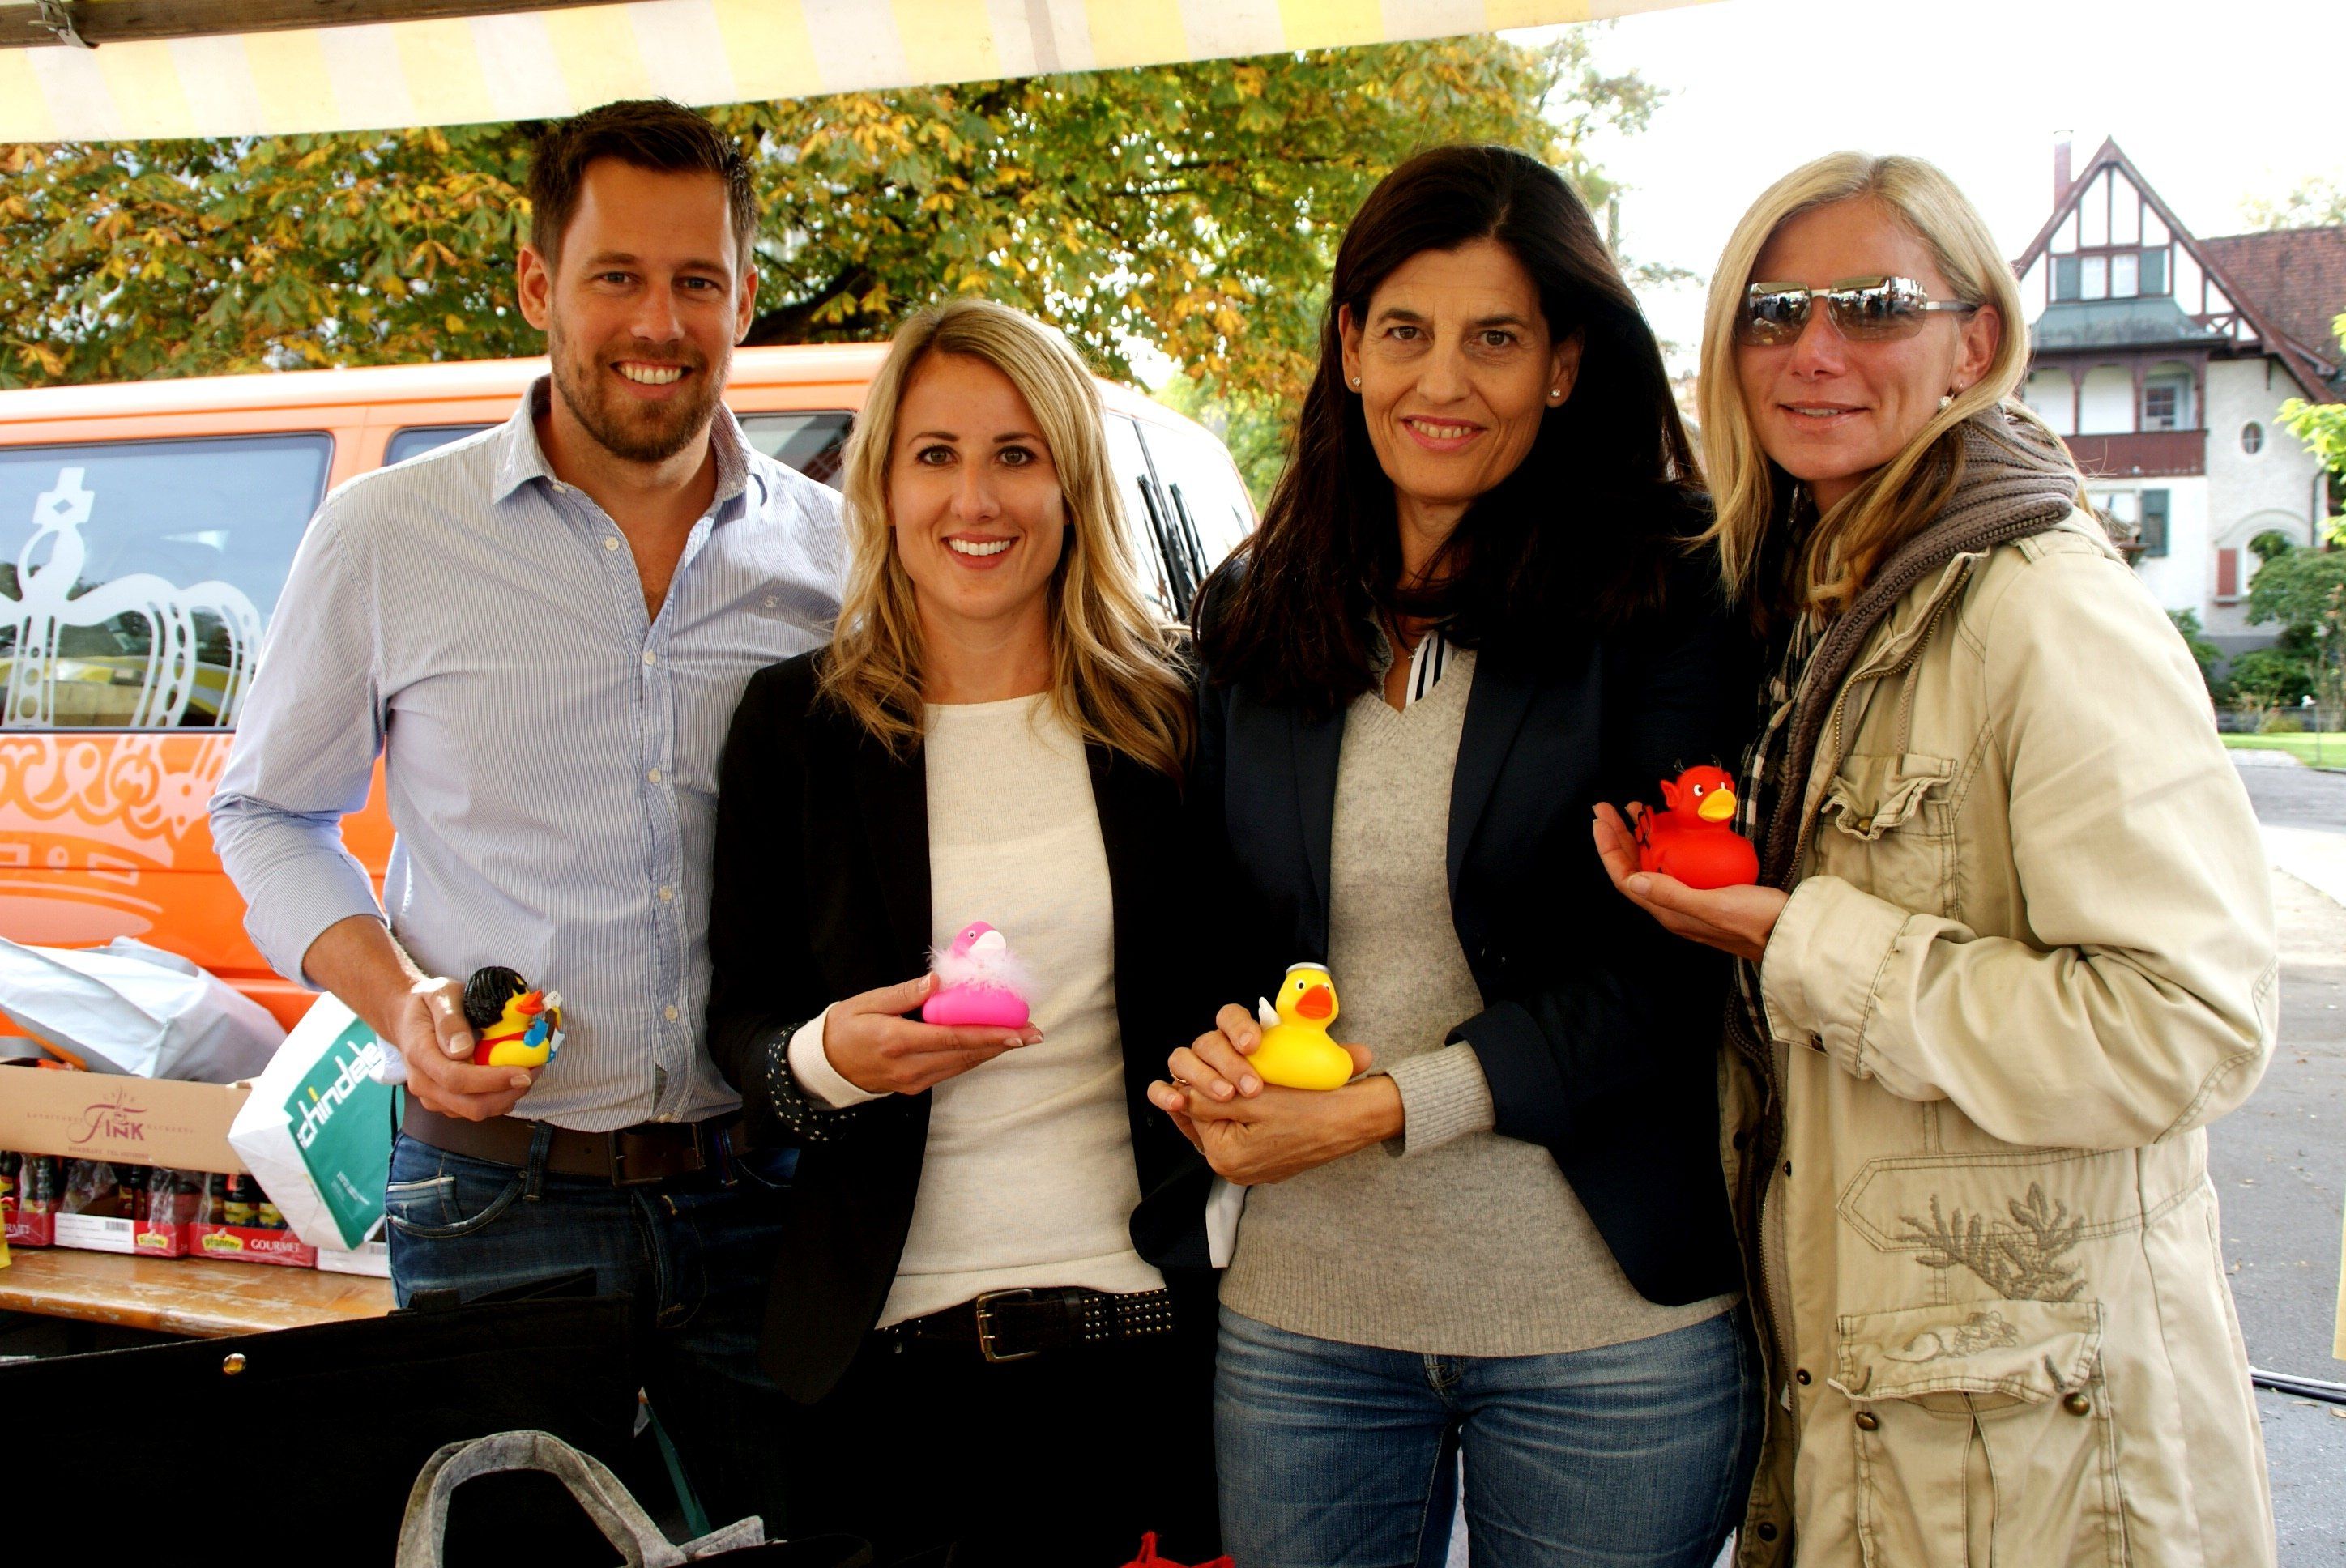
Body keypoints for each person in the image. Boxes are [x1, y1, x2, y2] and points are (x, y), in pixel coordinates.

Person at [1593, 151, 2278, 1566]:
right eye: (1773, 312)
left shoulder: (2044, 612)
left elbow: (2185, 1027)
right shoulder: (1818, 600)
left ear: (1976, 342)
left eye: (1874, 306)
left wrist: (1791, 939)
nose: (1813, 350)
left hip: (2047, 1470)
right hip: (1894, 1428)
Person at [209, 100, 842, 1526]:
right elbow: (266, 813)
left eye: (696, 281)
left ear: (744, 298)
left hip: (775, 1198)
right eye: (617, 275)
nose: (658, 323)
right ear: (536, 283)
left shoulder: (836, 555)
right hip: (497, 1203)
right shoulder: (386, 537)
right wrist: (402, 1002)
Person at [1152, 144, 1762, 1568]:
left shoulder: (1669, 588)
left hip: (1600, 1326)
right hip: (1305, 1321)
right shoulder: (1256, 607)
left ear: (1564, 366)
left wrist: (1384, 1109)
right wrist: (1216, 1051)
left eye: (1496, 339)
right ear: (1349, 347)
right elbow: (1213, 924)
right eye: (1406, 332)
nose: (1444, 381)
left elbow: (1678, 964)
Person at [704, 297, 1218, 1566]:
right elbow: (742, 1024)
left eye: (1016, 455)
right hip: (885, 1385)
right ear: (882, 485)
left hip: (1149, 1365)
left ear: (1072, 484)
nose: (975, 500)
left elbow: (1255, 983)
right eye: (935, 454)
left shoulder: (1179, 721)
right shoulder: (796, 726)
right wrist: (829, 1059)